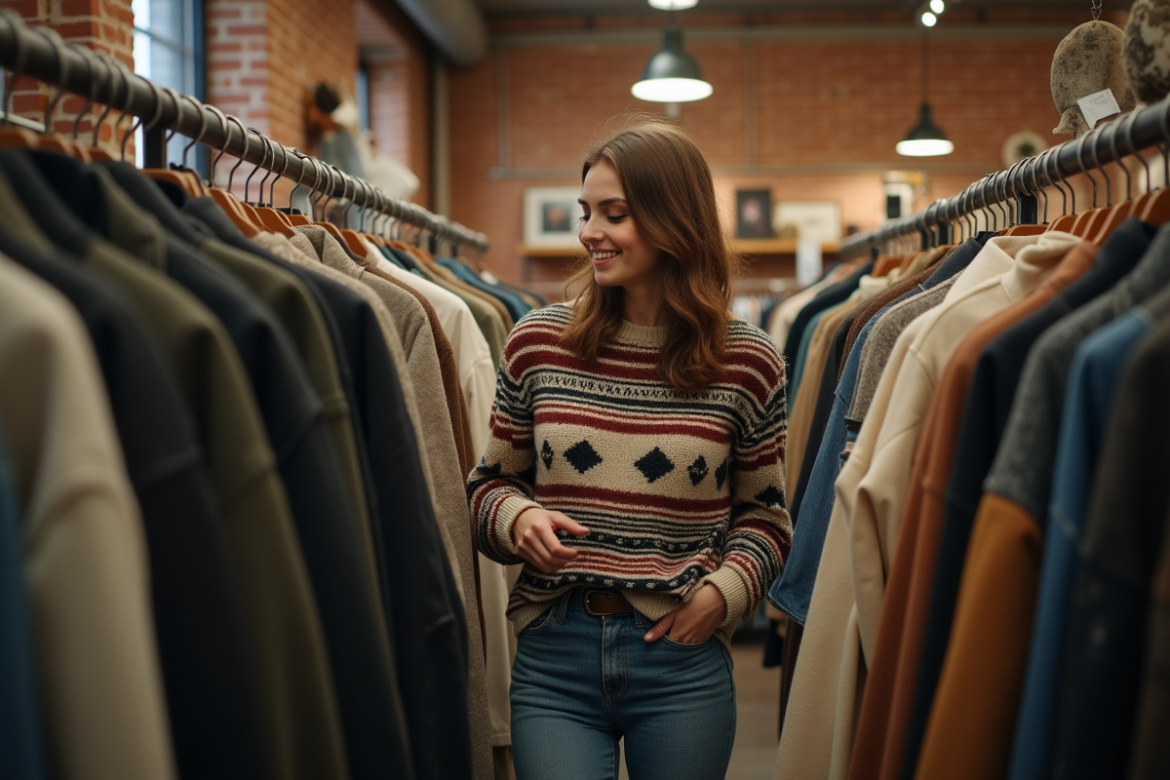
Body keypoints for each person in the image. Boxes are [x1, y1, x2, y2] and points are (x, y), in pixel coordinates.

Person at [467, 120, 792, 780]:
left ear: (674, 218)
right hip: (554, 651)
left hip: (681, 656)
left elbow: (766, 519)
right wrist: (517, 519)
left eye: (614, 213)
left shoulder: (747, 361)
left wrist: (724, 593)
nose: (589, 231)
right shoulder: (538, 343)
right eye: (586, 211)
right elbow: (487, 486)